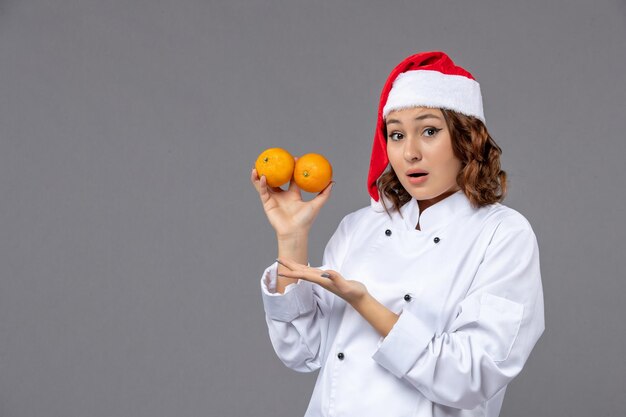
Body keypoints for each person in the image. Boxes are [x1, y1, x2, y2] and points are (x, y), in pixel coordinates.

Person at [250, 51, 545, 417]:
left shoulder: (502, 234)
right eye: (396, 134)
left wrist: (366, 304)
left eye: (430, 131)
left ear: (467, 138)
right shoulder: (359, 227)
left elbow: (471, 376)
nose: (410, 152)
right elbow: (302, 352)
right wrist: (292, 238)